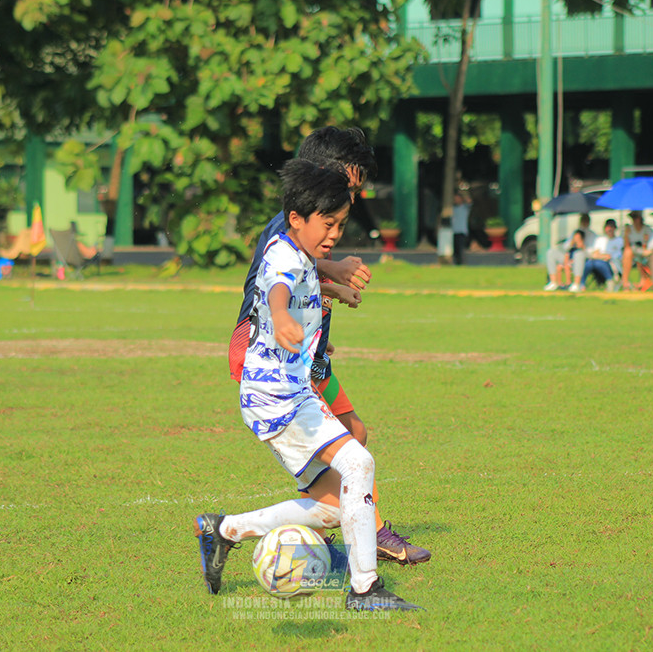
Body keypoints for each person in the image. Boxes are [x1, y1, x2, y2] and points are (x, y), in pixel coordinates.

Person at [195, 159, 421, 611]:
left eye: (341, 223)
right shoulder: (281, 252)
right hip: (275, 397)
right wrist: (280, 317)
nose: (335, 233)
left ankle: (222, 530)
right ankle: (365, 589)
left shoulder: (301, 254)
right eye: (327, 223)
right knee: (359, 464)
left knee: (336, 506)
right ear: (296, 219)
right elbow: (278, 289)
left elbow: (300, 287)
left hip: (288, 394)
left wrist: (329, 300)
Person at [544, 213, 595, 292]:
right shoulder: (575, 232)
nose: (584, 222)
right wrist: (572, 242)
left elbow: (591, 252)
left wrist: (582, 246)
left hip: (583, 258)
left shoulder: (592, 235)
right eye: (582, 220)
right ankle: (553, 282)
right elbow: (565, 247)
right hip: (569, 257)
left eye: (586, 220)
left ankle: (576, 284)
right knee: (551, 252)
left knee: (578, 254)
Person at [584, 218, 623, 291]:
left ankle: (610, 280)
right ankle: (581, 283)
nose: (609, 229)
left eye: (611, 227)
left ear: (615, 228)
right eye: (607, 227)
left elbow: (614, 256)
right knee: (589, 264)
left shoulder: (619, 240)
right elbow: (595, 254)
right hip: (598, 261)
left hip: (612, 263)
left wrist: (603, 256)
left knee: (598, 263)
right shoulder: (600, 239)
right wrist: (603, 256)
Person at [620, 211, 653, 290]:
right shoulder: (629, 229)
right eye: (633, 218)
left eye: (636, 217)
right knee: (628, 252)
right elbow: (626, 246)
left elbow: (652, 244)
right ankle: (625, 282)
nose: (634, 220)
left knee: (637, 255)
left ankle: (642, 281)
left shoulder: (647, 229)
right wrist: (626, 235)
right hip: (633, 252)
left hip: (645, 252)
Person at [451, 188, 471, 265]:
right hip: (453, 231)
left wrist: (462, 191)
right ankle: (456, 264)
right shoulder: (452, 208)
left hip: (462, 232)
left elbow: (469, 201)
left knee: (461, 250)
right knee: (455, 250)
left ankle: (462, 263)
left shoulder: (465, 208)